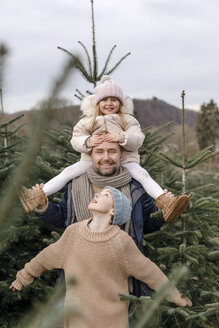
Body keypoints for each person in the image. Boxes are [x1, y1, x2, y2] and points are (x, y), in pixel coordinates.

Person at [11, 187, 192, 328]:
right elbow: (46, 257)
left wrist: (176, 296)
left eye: (106, 195)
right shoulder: (73, 233)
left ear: (114, 211)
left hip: (110, 321)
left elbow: (150, 272)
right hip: (76, 320)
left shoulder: (121, 242)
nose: (97, 195)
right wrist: (24, 276)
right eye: (99, 193)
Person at [18, 75, 189, 223]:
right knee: (67, 173)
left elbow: (138, 139)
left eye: (114, 100)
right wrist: (89, 140)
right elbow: (75, 139)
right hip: (90, 161)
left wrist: (121, 137)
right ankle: (36, 197)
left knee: (143, 176)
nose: (109, 103)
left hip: (126, 160)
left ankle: (165, 202)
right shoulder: (89, 121)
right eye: (105, 100)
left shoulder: (127, 120)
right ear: (97, 103)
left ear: (120, 103)